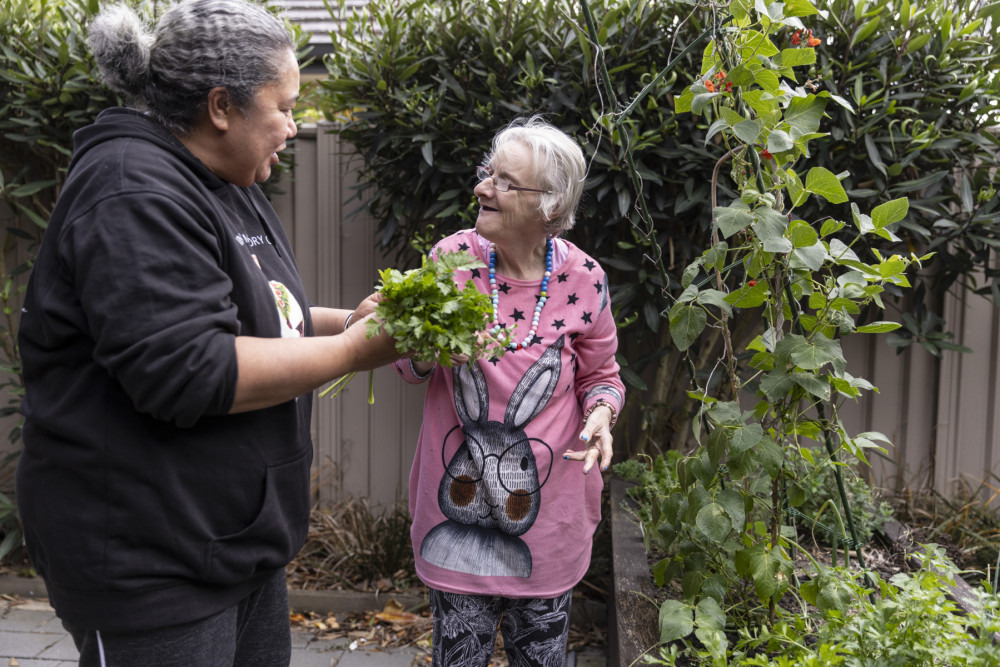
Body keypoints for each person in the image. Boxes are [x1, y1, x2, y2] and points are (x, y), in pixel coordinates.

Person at [14, 1, 398, 665]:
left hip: (232, 544)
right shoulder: (132, 190)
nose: (293, 124)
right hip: (149, 563)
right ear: (222, 106)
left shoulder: (225, 178)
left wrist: (354, 322)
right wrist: (352, 351)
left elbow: (262, 313)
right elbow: (192, 367)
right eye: (284, 104)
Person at [393, 116, 625, 666]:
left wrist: (600, 414)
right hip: (458, 525)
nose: (481, 188)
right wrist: (426, 349)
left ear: (549, 205)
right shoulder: (453, 260)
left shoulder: (584, 279)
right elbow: (407, 365)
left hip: (548, 527)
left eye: (503, 182)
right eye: (486, 174)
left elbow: (603, 375)